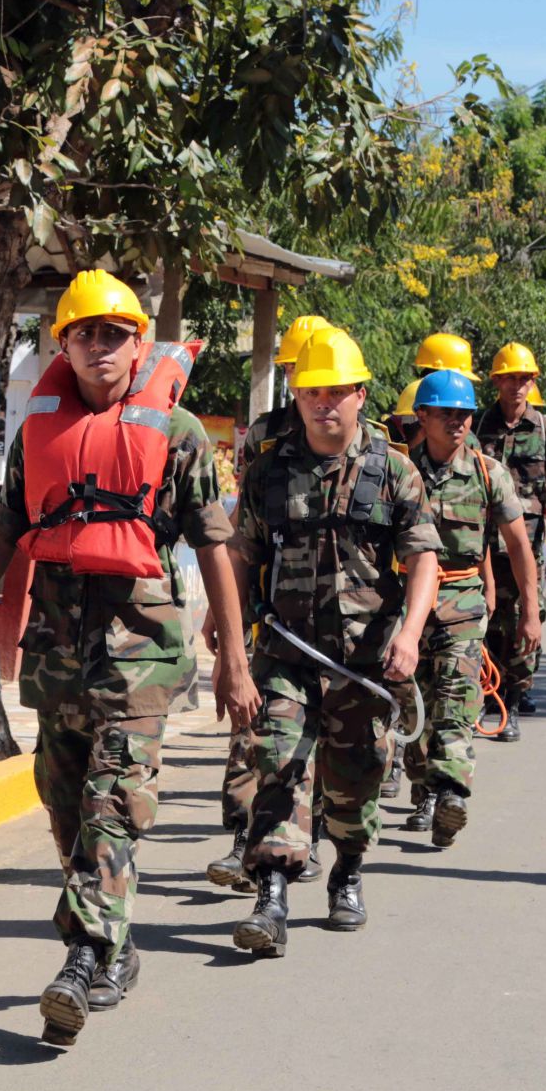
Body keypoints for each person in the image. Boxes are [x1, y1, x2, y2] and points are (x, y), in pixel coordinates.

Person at [0, 270, 257, 1045]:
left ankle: (79, 957)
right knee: (66, 805)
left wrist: (233, 660)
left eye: (115, 334)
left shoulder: (175, 436)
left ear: (140, 345)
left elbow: (217, 549)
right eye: (85, 334)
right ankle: (115, 941)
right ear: (63, 345)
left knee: (113, 807)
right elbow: (5, 533)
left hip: (141, 658)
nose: (100, 347)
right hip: (57, 656)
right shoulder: (38, 429)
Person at [227, 328, 440, 954]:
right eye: (311, 392)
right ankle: (271, 896)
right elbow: (242, 553)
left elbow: (424, 559)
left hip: (365, 661)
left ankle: (346, 872)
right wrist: (231, 627)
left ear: (361, 394)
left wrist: (410, 634)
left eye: (336, 392)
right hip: (287, 652)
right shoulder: (269, 469)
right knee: (278, 765)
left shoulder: (393, 470)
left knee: (355, 780)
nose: (323, 404)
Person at [207, 313, 333, 892]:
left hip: (333, 616)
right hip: (266, 605)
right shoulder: (263, 433)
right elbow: (241, 518)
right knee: (251, 726)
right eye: (291, 371)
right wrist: (221, 604)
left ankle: (306, 834)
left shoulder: (359, 432)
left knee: (318, 736)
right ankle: (245, 840)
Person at [399, 369, 541, 846]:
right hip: (405, 609)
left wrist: (530, 611)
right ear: (423, 416)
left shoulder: (487, 472)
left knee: (457, 701)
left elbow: (519, 547)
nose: (457, 423)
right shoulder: (399, 472)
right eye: (446, 414)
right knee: (413, 707)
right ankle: (425, 788)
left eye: (463, 414)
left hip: (462, 605)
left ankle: (452, 793)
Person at [477, 343, 546, 740]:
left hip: (527, 545)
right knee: (487, 623)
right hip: (483, 543)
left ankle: (512, 700)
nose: (519, 386)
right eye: (511, 378)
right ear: (496, 381)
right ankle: (490, 694)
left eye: (525, 378)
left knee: (524, 620)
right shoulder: (479, 425)